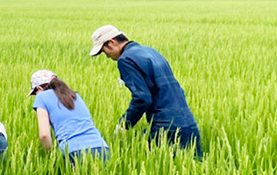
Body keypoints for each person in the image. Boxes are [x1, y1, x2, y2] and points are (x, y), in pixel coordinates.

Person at [90, 25, 202, 157]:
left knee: (154, 170)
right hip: (188, 122)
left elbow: (142, 98)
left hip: (165, 126)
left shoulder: (125, 60)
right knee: (195, 168)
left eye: (104, 51)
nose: (107, 57)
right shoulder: (151, 52)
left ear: (112, 42)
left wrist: (123, 124)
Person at [28, 69, 109, 162]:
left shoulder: (41, 97)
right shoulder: (75, 95)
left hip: (73, 151)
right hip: (101, 147)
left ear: (39, 88)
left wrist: (50, 157)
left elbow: (44, 135)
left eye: (35, 93)